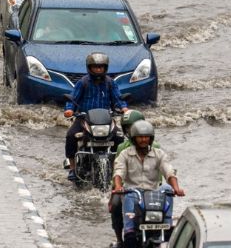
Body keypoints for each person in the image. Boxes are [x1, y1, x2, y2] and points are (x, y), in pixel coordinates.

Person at [112, 120, 185, 248]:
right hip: (132, 193)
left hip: (154, 194)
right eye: (140, 137)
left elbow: (169, 171)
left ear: (151, 139)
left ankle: (166, 228)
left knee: (167, 188)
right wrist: (118, 187)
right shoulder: (125, 154)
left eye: (146, 137)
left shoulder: (159, 154)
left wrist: (176, 188)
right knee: (122, 208)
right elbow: (119, 172)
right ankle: (127, 234)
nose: (143, 140)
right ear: (134, 138)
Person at [63, 52, 128, 181]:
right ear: (89, 68)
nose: (98, 70)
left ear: (105, 68)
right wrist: (69, 110)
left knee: (119, 138)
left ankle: (118, 168)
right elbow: (72, 98)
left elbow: (118, 98)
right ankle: (72, 168)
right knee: (71, 136)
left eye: (101, 67)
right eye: (95, 67)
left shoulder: (110, 83)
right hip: (84, 118)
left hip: (106, 119)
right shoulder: (83, 82)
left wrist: (124, 108)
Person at [108, 111, 162, 248]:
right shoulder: (122, 148)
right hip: (128, 190)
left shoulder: (155, 148)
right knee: (115, 206)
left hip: (151, 188)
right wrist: (115, 190)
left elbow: (162, 169)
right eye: (127, 128)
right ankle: (120, 239)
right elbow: (118, 171)